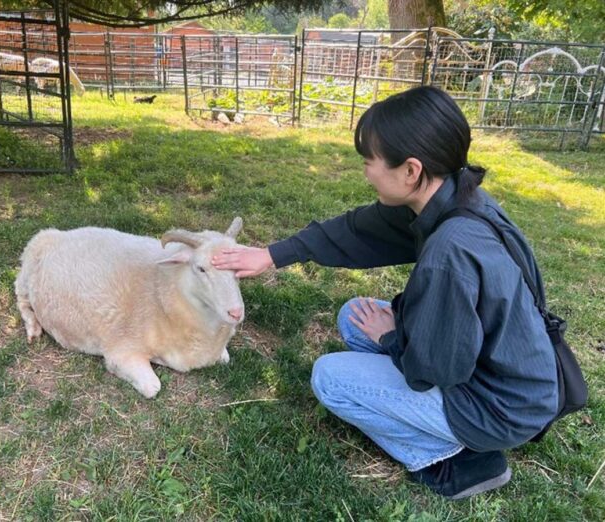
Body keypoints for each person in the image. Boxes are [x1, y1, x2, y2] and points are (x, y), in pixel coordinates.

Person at [211, 86, 559, 500]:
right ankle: (447, 429)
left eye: (369, 161)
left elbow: (436, 370)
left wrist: (391, 339)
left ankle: (458, 461)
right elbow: (359, 228)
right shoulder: (453, 200)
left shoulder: (450, 252)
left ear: (410, 170)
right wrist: (272, 254)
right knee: (352, 316)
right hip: (492, 365)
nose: (366, 172)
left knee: (331, 379)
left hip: (498, 403)